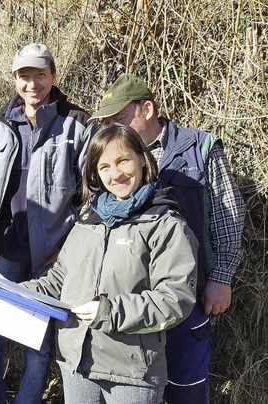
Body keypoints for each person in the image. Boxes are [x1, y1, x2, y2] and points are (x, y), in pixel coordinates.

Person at [89, 74, 246, 403]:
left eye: (119, 118)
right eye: (107, 122)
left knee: (185, 389)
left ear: (147, 109)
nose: (113, 128)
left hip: (185, 301)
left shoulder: (198, 148)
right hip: (126, 307)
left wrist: (221, 277)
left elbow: (228, 215)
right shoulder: (111, 161)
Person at [22, 123, 198, 404]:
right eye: (104, 167)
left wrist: (110, 312)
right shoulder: (88, 219)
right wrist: (14, 293)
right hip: (76, 361)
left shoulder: (165, 225)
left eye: (122, 161)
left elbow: (175, 299)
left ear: (142, 159)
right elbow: (60, 280)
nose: (115, 174)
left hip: (131, 371)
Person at [0, 43, 93, 403]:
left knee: (38, 344)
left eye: (40, 74)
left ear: (53, 76)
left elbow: (91, 193)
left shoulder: (76, 123)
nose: (32, 83)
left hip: (50, 259)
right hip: (4, 252)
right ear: (15, 79)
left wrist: (68, 250)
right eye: (25, 75)